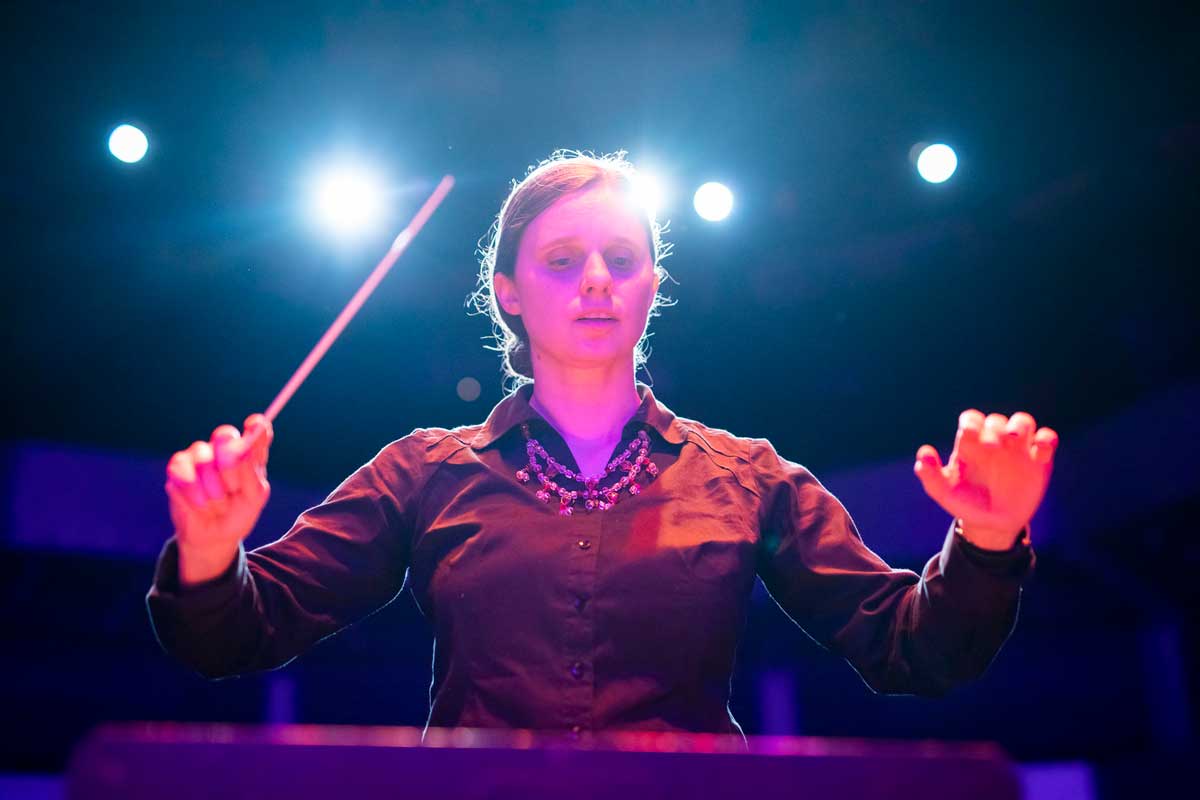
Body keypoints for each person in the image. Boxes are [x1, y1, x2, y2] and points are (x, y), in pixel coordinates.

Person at [147, 150, 1058, 747]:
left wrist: (986, 543)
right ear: (507, 290)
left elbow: (912, 653)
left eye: (620, 259)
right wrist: (210, 551)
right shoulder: (423, 474)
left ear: (651, 285)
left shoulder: (750, 479)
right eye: (559, 261)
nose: (594, 280)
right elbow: (236, 637)